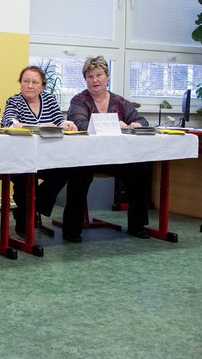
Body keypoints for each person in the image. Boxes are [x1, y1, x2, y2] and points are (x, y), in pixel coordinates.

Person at [62, 56, 151, 242]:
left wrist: (133, 124)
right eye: (90, 76)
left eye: (99, 75)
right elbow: (81, 124)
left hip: (115, 158)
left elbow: (142, 121)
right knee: (79, 175)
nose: (95, 80)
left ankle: (137, 225)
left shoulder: (120, 101)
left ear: (107, 77)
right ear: (85, 79)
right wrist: (114, 124)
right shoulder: (79, 101)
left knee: (140, 169)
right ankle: (71, 229)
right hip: (87, 157)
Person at [0, 65, 76, 235]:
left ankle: (28, 210)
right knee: (24, 178)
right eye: (26, 81)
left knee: (65, 171)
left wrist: (66, 124)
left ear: (42, 85)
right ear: (20, 83)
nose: (30, 85)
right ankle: (26, 216)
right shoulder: (14, 101)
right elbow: (9, 123)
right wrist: (40, 126)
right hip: (20, 158)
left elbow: (58, 121)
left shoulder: (49, 100)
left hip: (48, 158)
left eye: (35, 82)